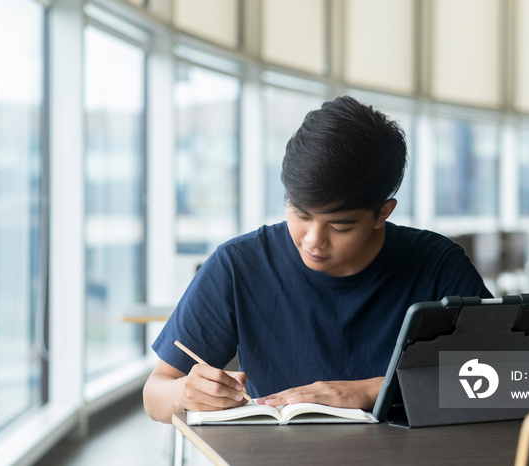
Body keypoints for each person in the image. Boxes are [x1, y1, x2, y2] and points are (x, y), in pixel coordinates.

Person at [143, 95, 491, 423]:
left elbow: (509, 380)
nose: (312, 241)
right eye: (300, 213)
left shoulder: (437, 264)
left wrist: (369, 390)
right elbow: (155, 393)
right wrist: (184, 393)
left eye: (340, 227)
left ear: (382, 212)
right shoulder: (239, 266)